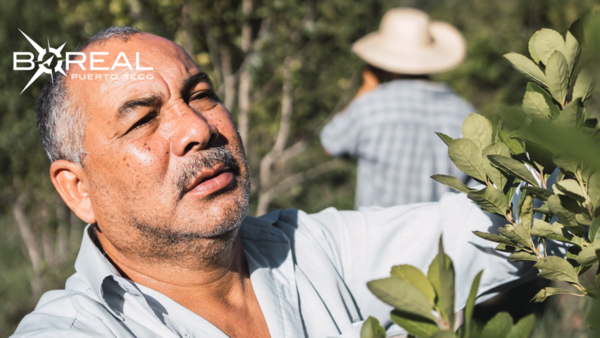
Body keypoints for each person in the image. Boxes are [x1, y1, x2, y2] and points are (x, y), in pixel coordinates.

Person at [11, 27, 534, 338]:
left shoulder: (311, 248)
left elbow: (498, 228)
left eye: (201, 94)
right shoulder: (74, 330)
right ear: (77, 189)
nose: (197, 127)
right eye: (143, 118)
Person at [321, 8, 475, 208]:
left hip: (376, 238)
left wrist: (367, 87)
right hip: (439, 239)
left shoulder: (370, 106)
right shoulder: (464, 115)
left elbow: (330, 143)